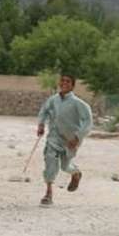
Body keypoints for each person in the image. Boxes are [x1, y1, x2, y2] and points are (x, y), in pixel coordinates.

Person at [36, 74, 93, 206]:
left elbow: (88, 121)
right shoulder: (53, 100)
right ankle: (48, 193)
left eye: (67, 81)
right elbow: (44, 111)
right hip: (54, 137)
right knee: (50, 161)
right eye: (62, 81)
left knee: (65, 166)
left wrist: (77, 137)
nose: (64, 83)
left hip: (70, 140)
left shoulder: (78, 103)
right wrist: (41, 124)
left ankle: (76, 173)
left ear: (72, 86)